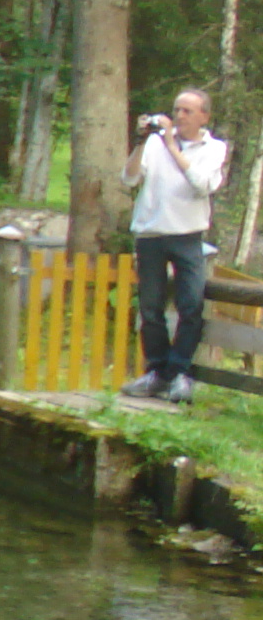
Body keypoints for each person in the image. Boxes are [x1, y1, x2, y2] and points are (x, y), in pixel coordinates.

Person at [122, 87, 229, 404]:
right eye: (176, 110)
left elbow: (203, 185)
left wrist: (171, 145)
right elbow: (129, 179)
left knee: (191, 305)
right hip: (151, 234)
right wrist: (142, 142)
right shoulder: (154, 144)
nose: (179, 117)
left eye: (187, 111)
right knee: (151, 308)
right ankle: (156, 372)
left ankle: (180, 372)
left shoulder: (214, 149)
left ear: (203, 117)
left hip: (187, 234)